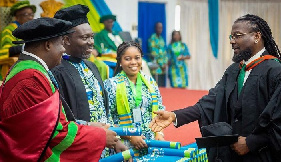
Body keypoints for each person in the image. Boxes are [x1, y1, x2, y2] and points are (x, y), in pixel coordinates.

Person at [149, 14, 281, 161]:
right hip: (232, 153)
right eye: (231, 37)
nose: (232, 41)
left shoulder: (276, 73)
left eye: (237, 35)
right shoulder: (235, 70)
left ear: (256, 36)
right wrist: (175, 116)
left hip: (261, 154)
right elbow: (211, 102)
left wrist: (251, 143)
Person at [0, 17, 118, 161]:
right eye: (62, 43)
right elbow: (53, 135)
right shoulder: (31, 78)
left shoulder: (31, 70)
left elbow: (51, 124)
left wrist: (87, 125)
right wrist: (99, 137)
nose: (64, 49)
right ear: (48, 45)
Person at [51, 5, 127, 158]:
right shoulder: (58, 71)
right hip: (82, 148)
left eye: (92, 36)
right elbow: (62, 121)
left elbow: (105, 110)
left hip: (105, 146)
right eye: (84, 38)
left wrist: (115, 138)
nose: (91, 42)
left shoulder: (91, 66)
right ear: (66, 40)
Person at [104, 41, 165, 156]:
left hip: (150, 143)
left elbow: (160, 110)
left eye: (137, 58)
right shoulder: (111, 85)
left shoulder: (150, 82)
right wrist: (130, 136)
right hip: (124, 145)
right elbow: (107, 119)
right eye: (127, 59)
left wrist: (159, 134)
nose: (133, 62)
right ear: (120, 61)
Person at [0, 0, 36, 80]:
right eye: (26, 14)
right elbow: (5, 51)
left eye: (31, 14)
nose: (30, 17)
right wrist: (24, 47)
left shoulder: (30, 30)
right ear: (16, 17)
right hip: (12, 68)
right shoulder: (9, 30)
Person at [148, 22, 168, 87]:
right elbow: (154, 53)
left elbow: (164, 52)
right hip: (156, 67)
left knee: (162, 86)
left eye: (161, 28)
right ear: (155, 28)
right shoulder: (152, 38)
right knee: (157, 86)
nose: (160, 29)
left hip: (163, 68)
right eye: (158, 28)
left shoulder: (162, 39)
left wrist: (165, 63)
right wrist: (161, 64)